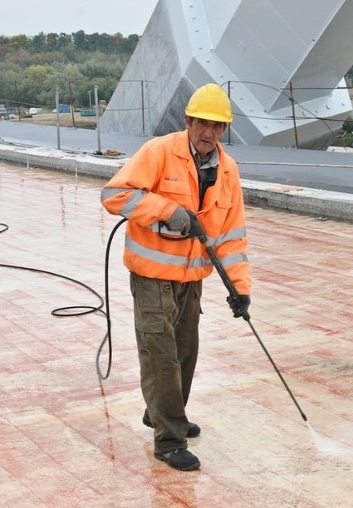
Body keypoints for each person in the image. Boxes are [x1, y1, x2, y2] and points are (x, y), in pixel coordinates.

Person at [101, 83, 251, 471]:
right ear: (188, 121)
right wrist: (166, 210)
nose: (209, 133)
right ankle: (169, 440)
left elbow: (232, 235)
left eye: (218, 127)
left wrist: (240, 289)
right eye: (203, 124)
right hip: (152, 277)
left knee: (185, 354)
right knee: (161, 358)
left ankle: (164, 413)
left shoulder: (227, 170)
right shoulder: (158, 152)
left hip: (192, 279)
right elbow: (114, 195)